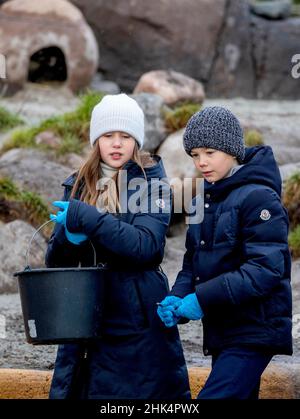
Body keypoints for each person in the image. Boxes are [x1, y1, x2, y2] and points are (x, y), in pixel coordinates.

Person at [45, 93, 191, 399]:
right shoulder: (77, 184)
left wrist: (89, 218)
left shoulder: (153, 185)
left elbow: (146, 246)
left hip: (137, 320)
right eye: (108, 135)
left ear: (136, 141)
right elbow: (55, 262)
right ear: (96, 139)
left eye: (125, 136)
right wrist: (68, 240)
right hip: (84, 315)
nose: (116, 143)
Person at [157, 106, 293, 399]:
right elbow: (192, 263)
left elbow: (265, 270)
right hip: (224, 330)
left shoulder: (260, 197)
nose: (201, 162)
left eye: (209, 152)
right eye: (194, 155)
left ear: (232, 149)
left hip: (256, 328)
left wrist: (202, 299)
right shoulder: (202, 199)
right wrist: (177, 297)